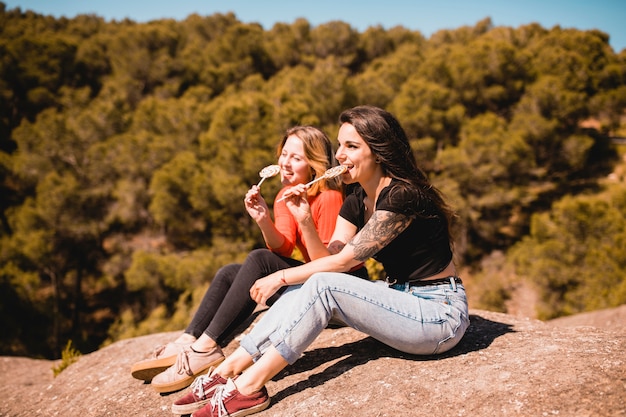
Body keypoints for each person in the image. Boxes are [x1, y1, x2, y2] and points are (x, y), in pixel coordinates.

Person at [170, 105, 470, 417]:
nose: (339, 154)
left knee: (320, 283)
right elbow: (326, 259)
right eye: (340, 145)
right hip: (399, 298)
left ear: (379, 152)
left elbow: (342, 263)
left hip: (438, 315)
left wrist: (281, 277)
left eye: (352, 146)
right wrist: (304, 220)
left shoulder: (402, 196)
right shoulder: (355, 200)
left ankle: (249, 387)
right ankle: (229, 368)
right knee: (311, 283)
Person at [130, 126, 368, 394]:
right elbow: (284, 250)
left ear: (314, 165)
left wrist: (305, 221)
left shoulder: (329, 196)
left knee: (257, 259)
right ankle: (189, 341)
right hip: (314, 277)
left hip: (340, 288)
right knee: (230, 272)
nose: (286, 163)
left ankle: (206, 349)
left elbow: (328, 266)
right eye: (284, 154)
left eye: (297, 158)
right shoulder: (284, 195)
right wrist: (264, 219)